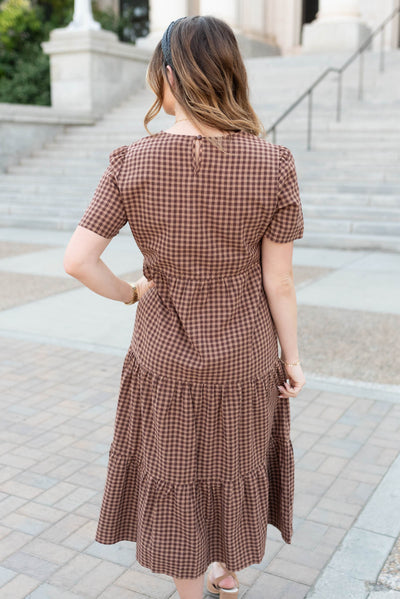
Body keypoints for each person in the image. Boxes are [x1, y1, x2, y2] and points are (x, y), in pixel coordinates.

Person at [63, 14, 306, 599]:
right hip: (245, 354)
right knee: (233, 464)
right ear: (229, 74)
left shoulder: (131, 161)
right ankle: (228, 573)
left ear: (166, 75)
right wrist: (292, 359)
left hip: (163, 357)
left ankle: (190, 592)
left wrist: (132, 293)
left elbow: (78, 260)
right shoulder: (273, 164)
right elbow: (281, 283)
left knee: (175, 473)